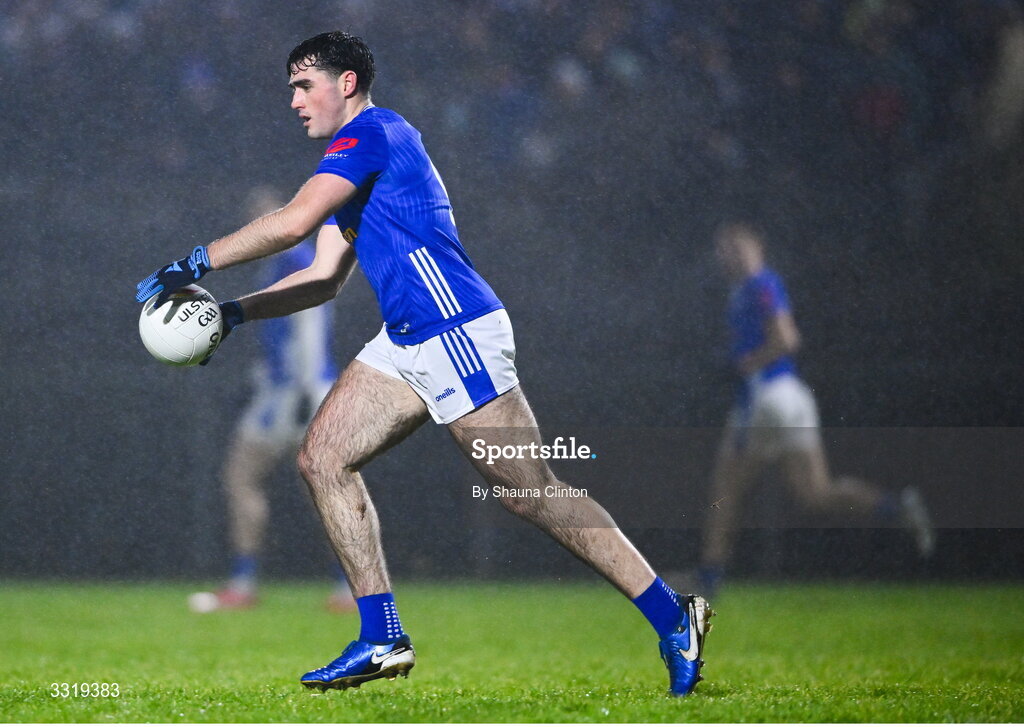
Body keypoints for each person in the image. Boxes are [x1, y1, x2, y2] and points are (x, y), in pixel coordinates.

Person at [135, 31, 711, 697]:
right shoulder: (348, 166)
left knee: (531, 491)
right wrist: (232, 313)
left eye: (303, 84)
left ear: (346, 82)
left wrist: (191, 264)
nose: (293, 100)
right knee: (322, 457)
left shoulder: (373, 132)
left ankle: (674, 614)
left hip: (456, 329)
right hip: (407, 340)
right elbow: (323, 277)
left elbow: (293, 224)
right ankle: (381, 635)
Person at [697, 222, 935, 599]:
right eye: (723, 249)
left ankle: (708, 581)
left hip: (766, 399)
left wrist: (744, 364)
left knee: (725, 490)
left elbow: (787, 338)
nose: (728, 255)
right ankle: (897, 507)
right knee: (816, 493)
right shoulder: (741, 290)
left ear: (758, 247)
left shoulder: (762, 284)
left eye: (736, 247)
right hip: (793, 398)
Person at [189, 186, 355, 614]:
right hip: (300, 389)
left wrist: (302, 390)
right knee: (322, 486)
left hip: (295, 393)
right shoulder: (285, 262)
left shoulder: (294, 262)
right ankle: (348, 587)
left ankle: (245, 584)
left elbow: (309, 330)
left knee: (243, 475)